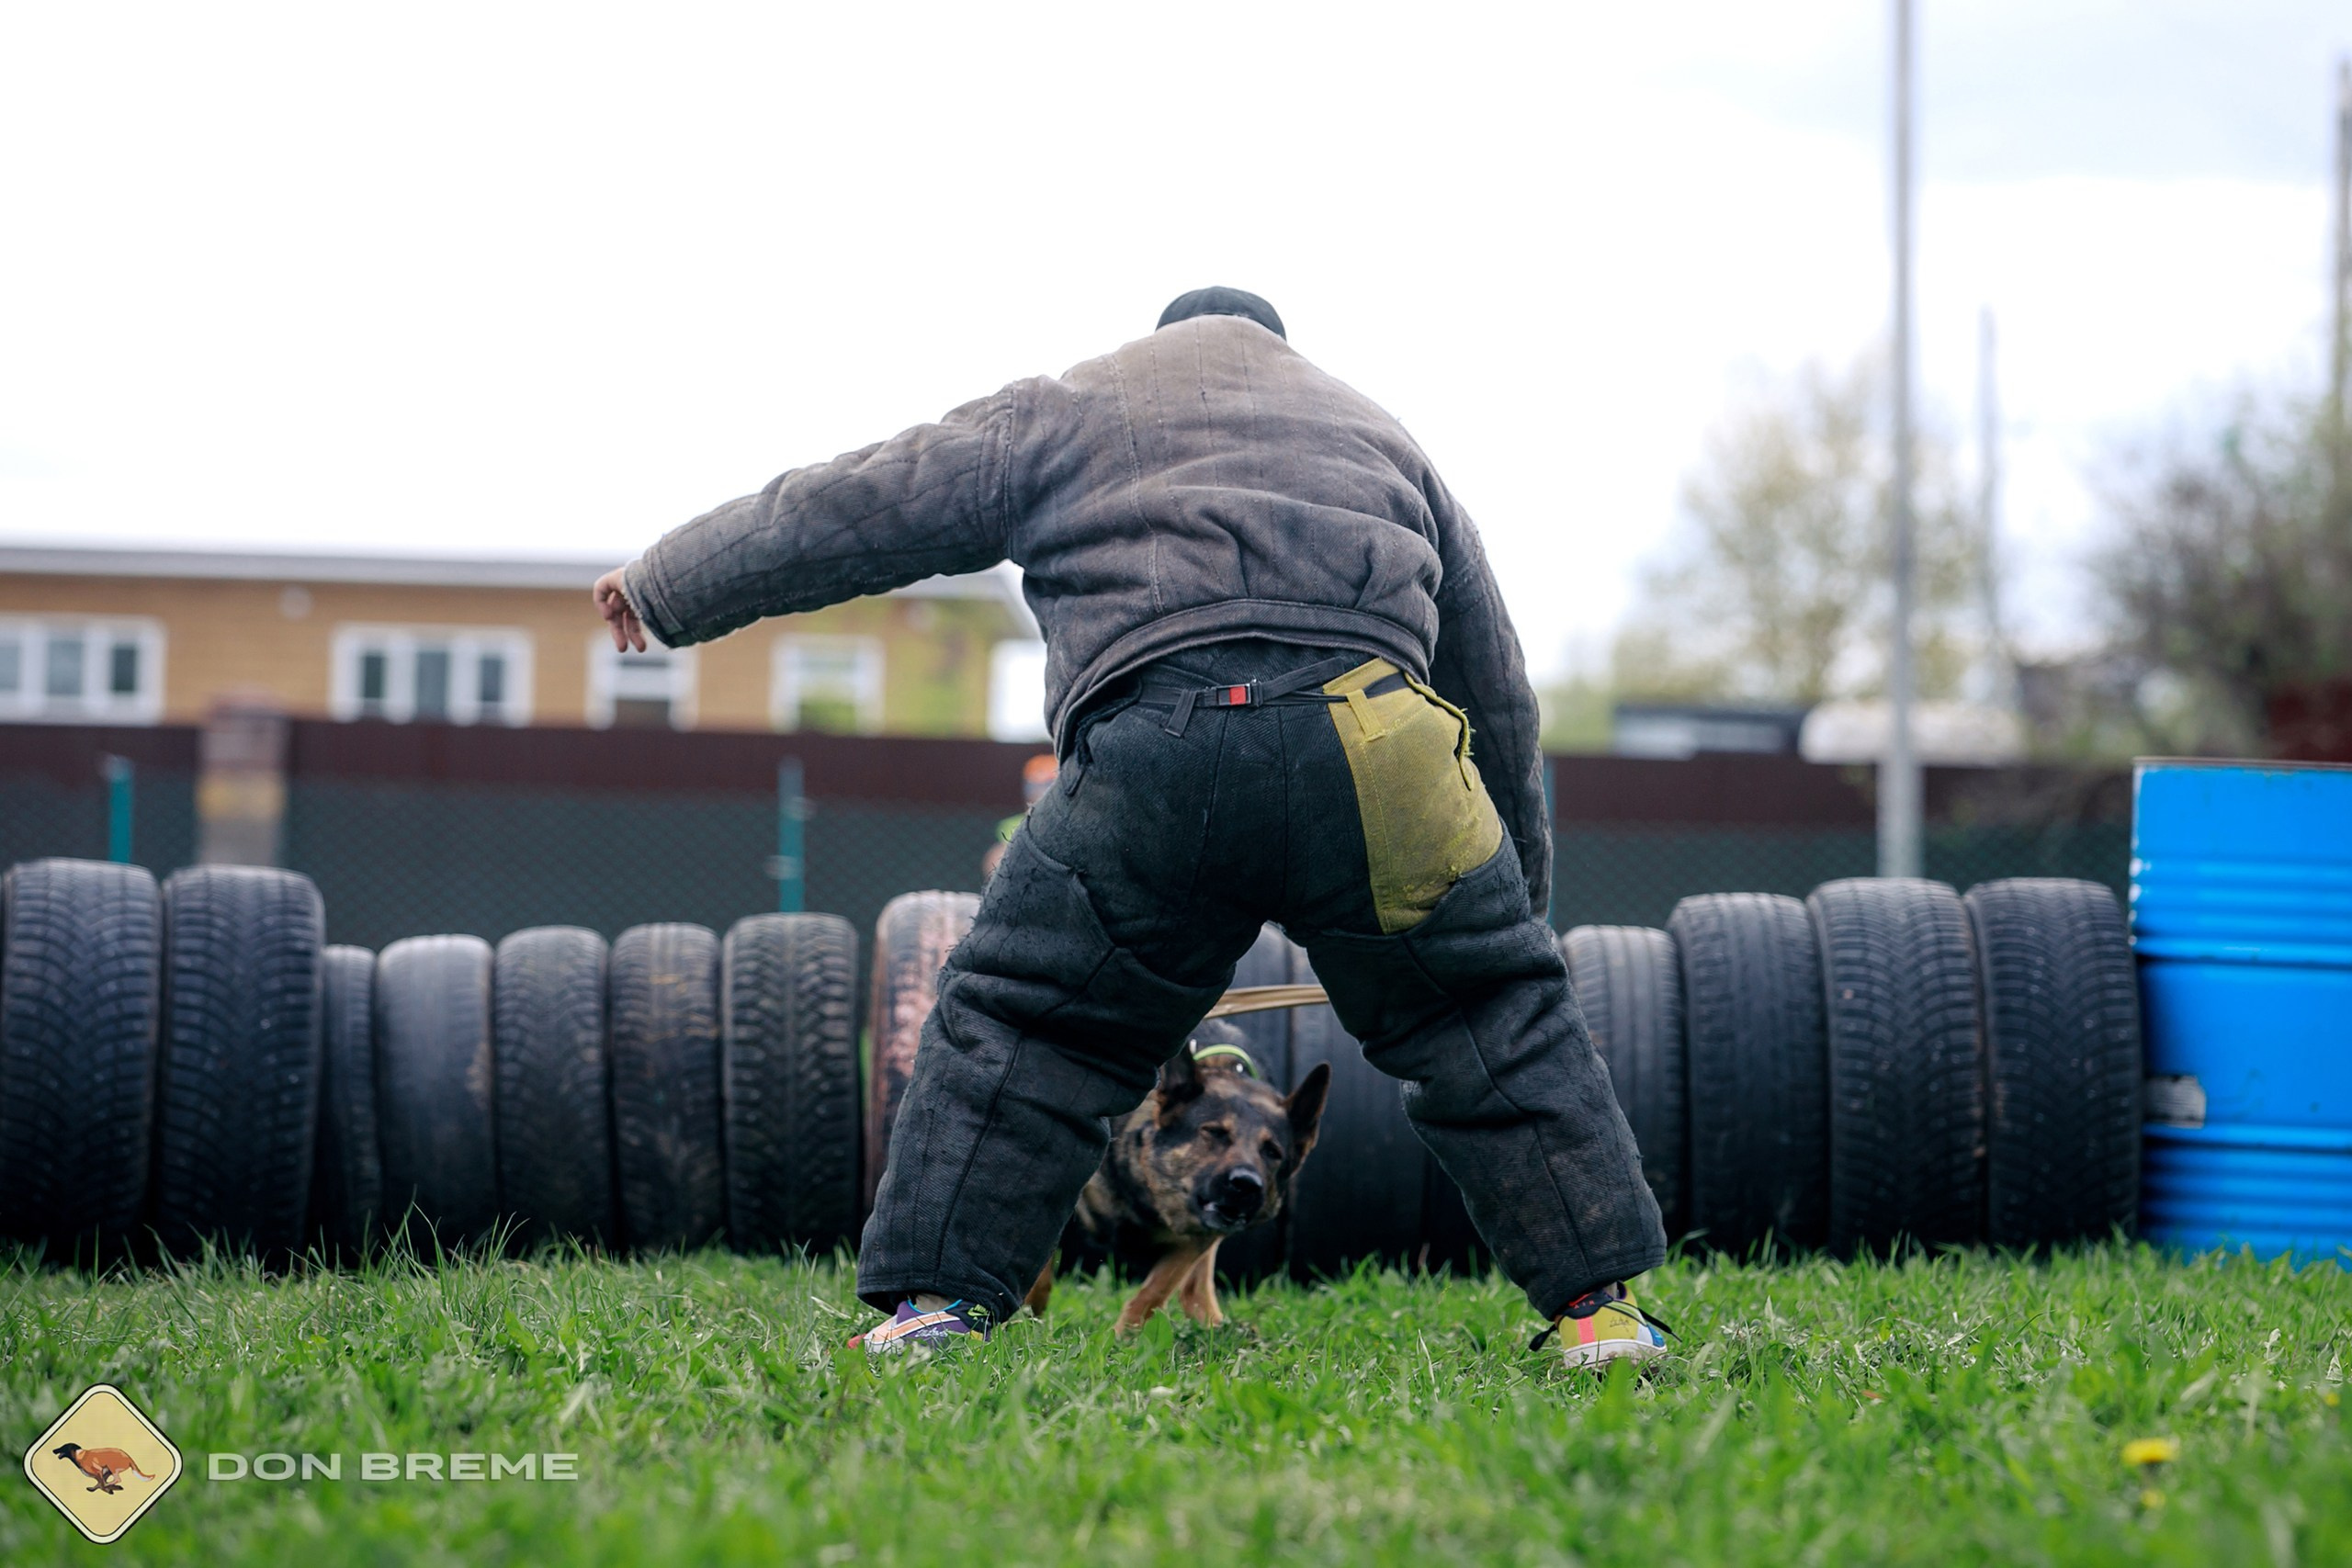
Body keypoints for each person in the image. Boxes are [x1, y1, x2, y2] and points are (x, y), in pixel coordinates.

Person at [594, 288, 1671, 1370]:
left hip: (1158, 749)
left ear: (1162, 342)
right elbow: (1494, 687)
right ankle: (1601, 1317)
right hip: (1381, 746)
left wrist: (669, 582)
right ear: (1276, 348)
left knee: (1027, 1025)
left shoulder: (1069, 407)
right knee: (1489, 1021)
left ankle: (935, 1310)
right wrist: (1506, 918)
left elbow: (862, 503)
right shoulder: (1382, 436)